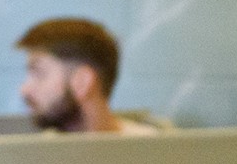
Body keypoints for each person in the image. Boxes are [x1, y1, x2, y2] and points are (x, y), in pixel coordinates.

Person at [15, 17, 168, 134]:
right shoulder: (40, 157)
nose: (24, 90)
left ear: (83, 82)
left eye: (39, 74)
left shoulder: (159, 154)